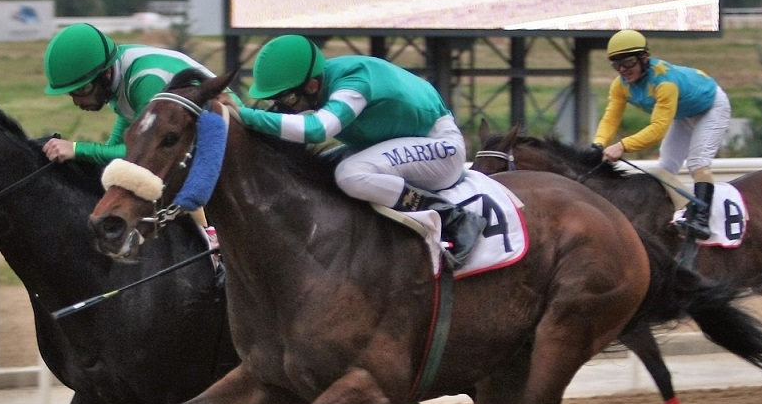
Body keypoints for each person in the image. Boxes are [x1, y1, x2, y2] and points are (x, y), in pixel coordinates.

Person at [220, 34, 486, 267]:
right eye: (275, 100)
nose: (283, 106)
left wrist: (246, 116)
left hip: (442, 150)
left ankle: (454, 217)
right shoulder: (323, 80)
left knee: (350, 174)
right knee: (318, 169)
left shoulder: (353, 82)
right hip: (405, 145)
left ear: (312, 86)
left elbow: (318, 129)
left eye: (287, 99)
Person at [592, 29, 731, 240]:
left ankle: (701, 220)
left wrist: (622, 146)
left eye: (628, 62)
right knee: (665, 167)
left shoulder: (664, 83)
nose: (623, 70)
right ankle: (672, 212)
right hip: (683, 113)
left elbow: (657, 130)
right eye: (616, 64)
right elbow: (611, 118)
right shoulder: (619, 86)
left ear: (644, 58)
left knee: (698, 162)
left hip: (711, 107)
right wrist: (598, 144)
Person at [41, 22, 229, 165]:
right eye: (70, 93)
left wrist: (76, 149)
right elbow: (114, 148)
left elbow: (142, 152)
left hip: (225, 140)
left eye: (82, 89)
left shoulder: (146, 81)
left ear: (106, 74)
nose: (77, 101)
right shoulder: (119, 75)